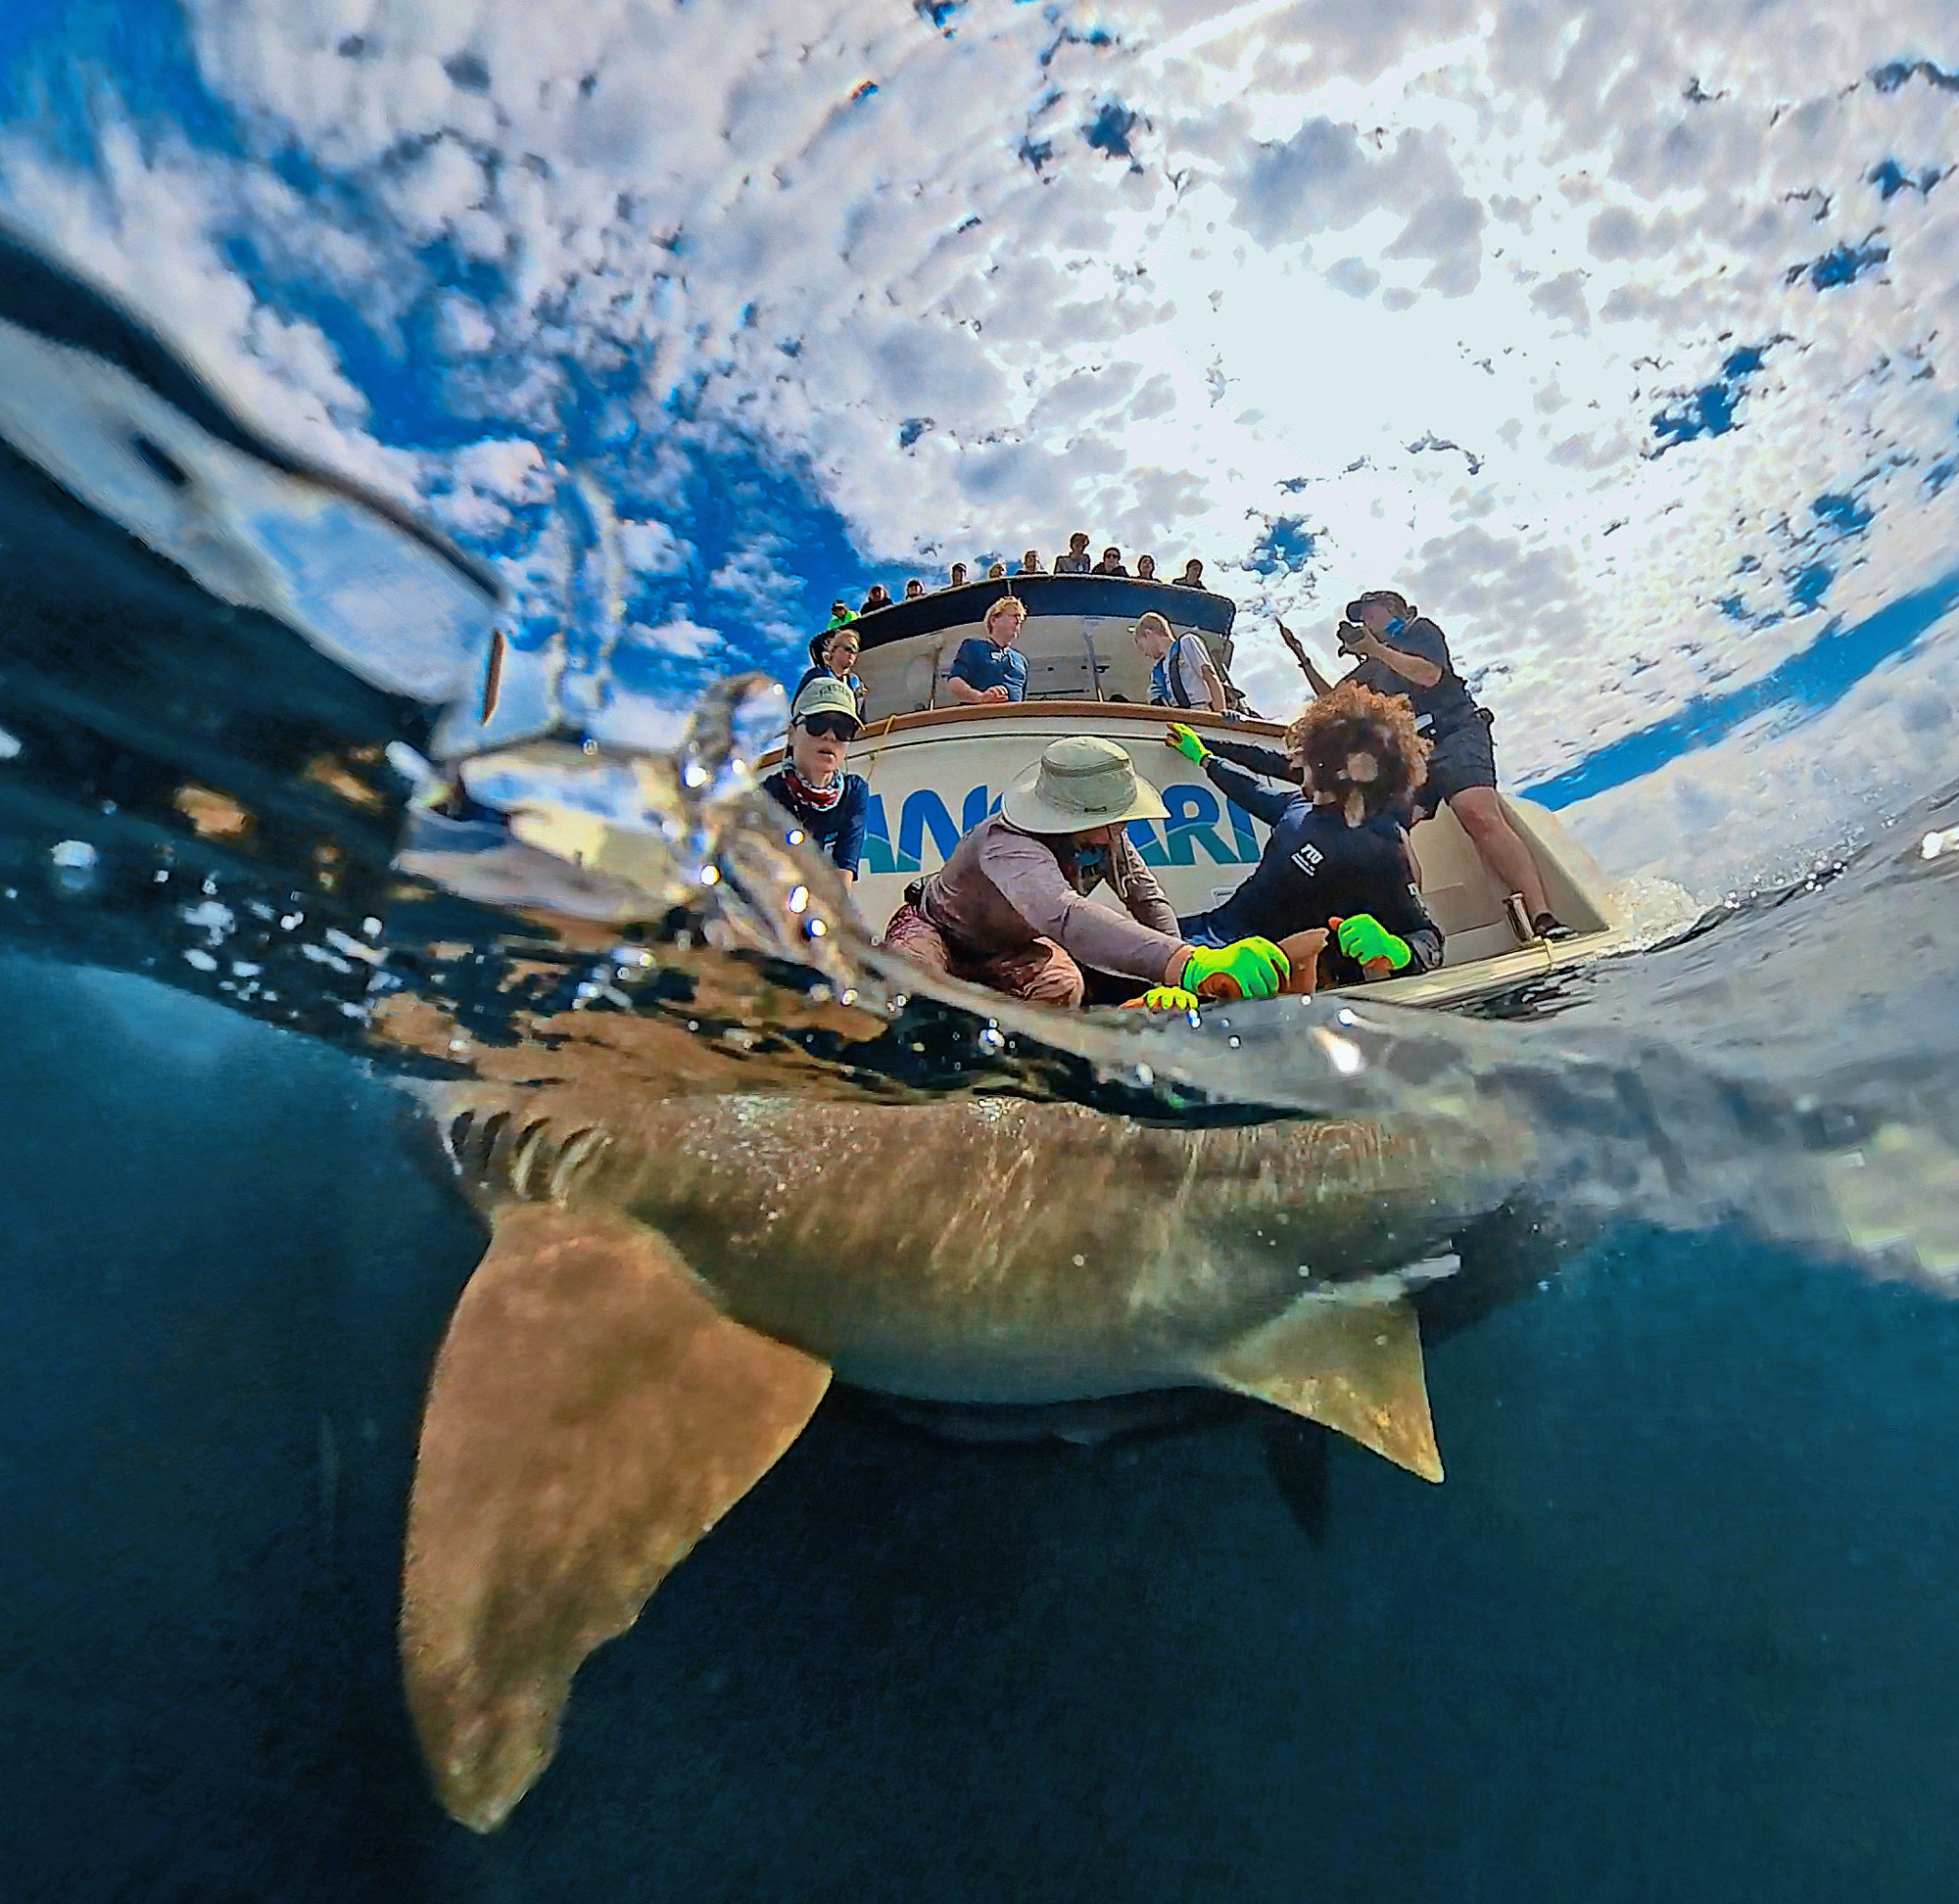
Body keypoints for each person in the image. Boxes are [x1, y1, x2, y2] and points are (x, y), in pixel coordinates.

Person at [880, 736, 1288, 1008]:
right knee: (910, 989)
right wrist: (1187, 962)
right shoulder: (1004, 841)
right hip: (937, 930)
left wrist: (1174, 985)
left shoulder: (1109, 837)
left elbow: (1145, 897)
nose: (1123, 826)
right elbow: (1063, 914)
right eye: (1116, 816)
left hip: (1009, 947)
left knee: (1063, 987)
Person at [1281, 590, 1569, 938]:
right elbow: (1334, 700)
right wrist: (1303, 659)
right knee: (1389, 832)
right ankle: (1411, 930)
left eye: (1368, 613)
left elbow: (1429, 674)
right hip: (1414, 752)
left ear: (1392, 608)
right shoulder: (1372, 668)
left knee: (1474, 809)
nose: (1364, 621)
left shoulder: (1421, 631)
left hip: (1456, 732)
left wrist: (1376, 650)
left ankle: (1542, 916)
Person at [1168, 683, 1444, 986]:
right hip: (1213, 932)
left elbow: (1428, 937)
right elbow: (1249, 790)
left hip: (1265, 974)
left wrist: (1398, 950)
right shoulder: (1297, 806)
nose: (1297, 763)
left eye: (1307, 757)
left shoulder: (1380, 846)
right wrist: (1206, 757)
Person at [763, 678, 871, 882]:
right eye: (818, 724)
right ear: (792, 734)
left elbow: (843, 875)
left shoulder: (855, 792)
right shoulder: (766, 797)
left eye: (843, 729)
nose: (830, 736)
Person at [1133, 610, 1225, 716]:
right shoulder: (1159, 670)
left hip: (1199, 710)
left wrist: (1220, 713)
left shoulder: (1186, 643)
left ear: (1148, 633)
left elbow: (1209, 674)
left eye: (1141, 646)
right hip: (1178, 716)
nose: (1144, 653)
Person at [946, 594, 1029, 703]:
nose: (1018, 621)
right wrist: (980, 697)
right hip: (981, 718)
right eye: (1014, 615)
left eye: (1020, 619)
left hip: (1013, 718)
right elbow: (955, 682)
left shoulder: (1022, 661)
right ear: (993, 620)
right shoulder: (972, 646)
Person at [794, 625, 866, 715]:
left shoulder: (855, 683)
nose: (852, 652)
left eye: (855, 650)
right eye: (848, 648)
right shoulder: (815, 676)